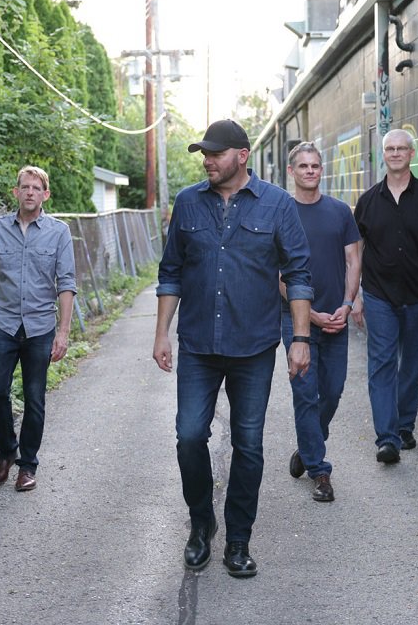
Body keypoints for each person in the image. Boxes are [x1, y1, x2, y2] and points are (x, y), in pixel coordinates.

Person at [153, 119, 313, 578]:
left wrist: (299, 339)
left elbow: (299, 274)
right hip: (199, 345)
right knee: (188, 437)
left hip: (254, 347)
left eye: (216, 153)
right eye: (203, 153)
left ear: (241, 155)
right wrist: (162, 332)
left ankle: (238, 540)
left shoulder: (278, 205)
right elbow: (171, 272)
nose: (207, 160)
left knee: (248, 445)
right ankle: (201, 522)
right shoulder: (187, 204)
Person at [352, 129, 418, 465]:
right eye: (389, 148)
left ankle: (404, 425)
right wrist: (355, 297)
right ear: (383, 154)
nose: (395, 153)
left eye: (401, 148)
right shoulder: (367, 202)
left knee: (410, 365)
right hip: (379, 295)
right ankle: (387, 439)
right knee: (381, 365)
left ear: (412, 153)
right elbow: (355, 254)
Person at [0, 165, 77, 492]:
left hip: (40, 327)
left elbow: (67, 284)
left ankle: (27, 465)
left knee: (35, 398)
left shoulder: (58, 233)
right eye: (25, 187)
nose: (30, 192)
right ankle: (6, 451)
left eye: (36, 187)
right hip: (4, 324)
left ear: (45, 194)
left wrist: (63, 332)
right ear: (16, 192)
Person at [280, 142, 360, 502]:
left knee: (333, 391)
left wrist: (346, 304)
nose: (310, 171)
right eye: (304, 166)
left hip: (336, 319)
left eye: (315, 165)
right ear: (291, 171)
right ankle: (319, 470)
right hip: (297, 323)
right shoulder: (281, 213)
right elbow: (276, 275)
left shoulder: (341, 212)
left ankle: (307, 444)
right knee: (305, 394)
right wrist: (308, 314)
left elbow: (354, 261)